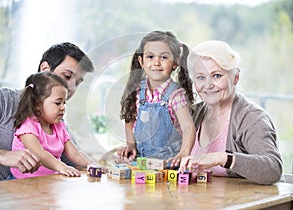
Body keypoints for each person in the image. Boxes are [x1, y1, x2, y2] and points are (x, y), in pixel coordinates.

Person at [178, 40, 283, 184]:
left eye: (216, 76)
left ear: (236, 77)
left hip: (248, 204)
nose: (208, 85)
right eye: (200, 77)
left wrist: (221, 158)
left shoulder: (251, 118)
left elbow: (273, 169)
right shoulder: (194, 113)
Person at [0, 42, 94, 181]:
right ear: (44, 69)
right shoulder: (0, 100)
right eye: (67, 76)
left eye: (77, 83)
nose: (71, 87)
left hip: (39, 195)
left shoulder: (57, 124)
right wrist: (1, 156)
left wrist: (107, 163)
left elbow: (75, 159)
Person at [117, 31, 196, 168]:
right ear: (141, 61)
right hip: (143, 161)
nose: (156, 63)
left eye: (164, 57)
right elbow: (129, 118)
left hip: (169, 163)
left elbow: (188, 127)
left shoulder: (175, 95)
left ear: (175, 63)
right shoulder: (137, 90)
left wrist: (184, 153)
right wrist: (130, 144)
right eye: (150, 57)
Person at [9, 72, 91, 178]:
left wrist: (92, 165)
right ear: (38, 104)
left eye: (64, 103)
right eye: (58, 103)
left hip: (50, 181)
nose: (63, 107)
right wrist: (62, 167)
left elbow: (75, 153)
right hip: (21, 183)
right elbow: (39, 154)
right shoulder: (28, 128)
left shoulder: (59, 126)